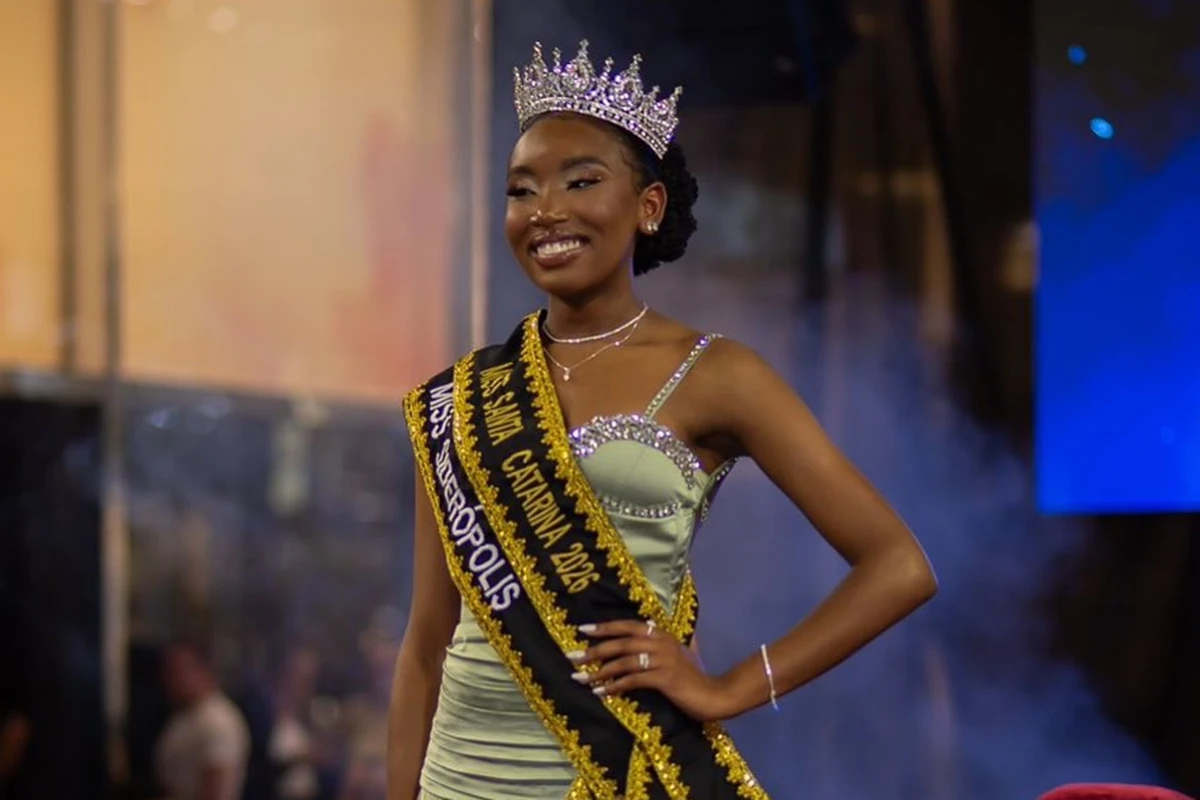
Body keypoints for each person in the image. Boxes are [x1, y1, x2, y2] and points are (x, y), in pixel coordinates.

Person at [387, 40, 937, 800]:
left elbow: (899, 565)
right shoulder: (462, 397)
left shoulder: (719, 372)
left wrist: (734, 687)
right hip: (460, 775)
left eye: (580, 181)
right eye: (522, 189)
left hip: (616, 766)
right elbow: (425, 645)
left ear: (648, 206)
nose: (546, 209)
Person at [155, 642, 251, 800]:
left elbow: (217, 791)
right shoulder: (183, 716)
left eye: (179, 671)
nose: (171, 680)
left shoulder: (218, 720)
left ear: (203, 670)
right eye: (168, 673)